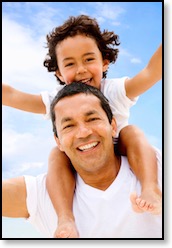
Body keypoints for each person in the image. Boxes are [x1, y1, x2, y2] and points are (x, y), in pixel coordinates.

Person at [2, 15, 162, 238]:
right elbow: (11, 95)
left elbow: (151, 72)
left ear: (104, 61)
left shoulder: (114, 91)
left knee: (131, 132)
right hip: (78, 158)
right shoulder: (57, 101)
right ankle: (65, 217)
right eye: (69, 64)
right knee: (56, 155)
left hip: (122, 148)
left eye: (88, 59)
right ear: (58, 72)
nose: (81, 70)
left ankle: (150, 188)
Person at [2, 82, 162, 238]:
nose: (83, 133)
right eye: (68, 126)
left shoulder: (158, 168)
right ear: (58, 142)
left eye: (92, 119)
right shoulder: (43, 195)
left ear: (113, 126)